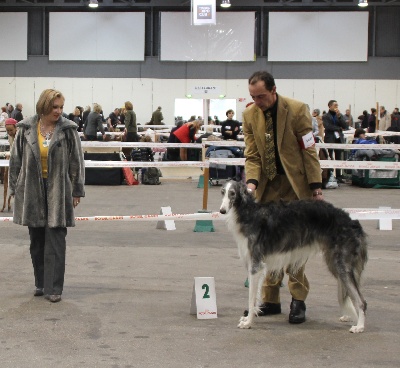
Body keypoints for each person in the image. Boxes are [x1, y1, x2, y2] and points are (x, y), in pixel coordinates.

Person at [243, 71, 323, 324]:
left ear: (274, 90)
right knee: (266, 246)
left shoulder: (298, 110)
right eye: (253, 97)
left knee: (295, 246)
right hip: (267, 189)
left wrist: (315, 186)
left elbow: (309, 150)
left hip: (295, 187)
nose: (258, 101)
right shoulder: (248, 115)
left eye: (262, 96)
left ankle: (298, 300)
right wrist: (252, 183)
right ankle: (270, 300)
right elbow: (252, 155)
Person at [8, 89, 85, 303]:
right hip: (32, 188)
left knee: (56, 239)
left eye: (61, 107)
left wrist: (76, 190)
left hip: (59, 188)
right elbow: (16, 160)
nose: (59, 111)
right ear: (44, 106)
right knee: (37, 241)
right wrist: (14, 188)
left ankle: (54, 288)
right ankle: (41, 283)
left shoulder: (68, 130)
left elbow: (76, 162)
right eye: (55, 107)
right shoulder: (25, 129)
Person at [322, 100, 348, 182]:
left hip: (338, 138)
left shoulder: (340, 115)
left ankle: (339, 175)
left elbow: (345, 126)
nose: (336, 107)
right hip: (330, 138)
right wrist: (339, 128)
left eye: (337, 105)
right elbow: (327, 126)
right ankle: (330, 174)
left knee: (339, 156)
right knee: (330, 156)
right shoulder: (325, 116)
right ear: (330, 106)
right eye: (335, 105)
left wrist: (339, 117)